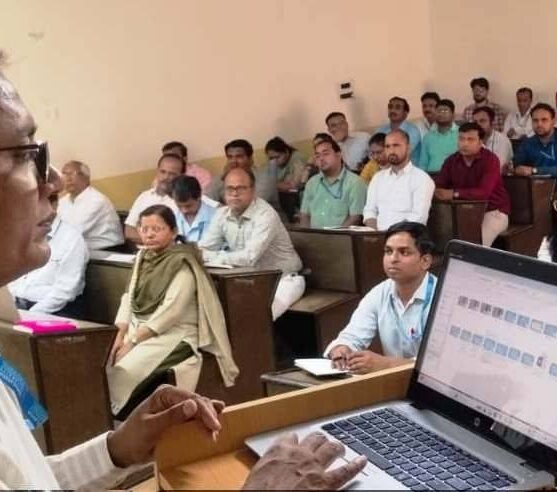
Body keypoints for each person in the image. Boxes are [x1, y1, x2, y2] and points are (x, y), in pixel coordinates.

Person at [0, 52, 365, 490]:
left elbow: (30, 480)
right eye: (26, 154)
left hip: (263, 286)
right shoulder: (160, 251)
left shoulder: (252, 220)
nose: (55, 180)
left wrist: (116, 450)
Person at [107, 205, 237, 419]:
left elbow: (170, 313)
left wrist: (132, 342)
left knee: (124, 370)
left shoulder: (182, 262)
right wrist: (120, 335)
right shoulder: (142, 257)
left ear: (173, 231)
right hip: (140, 330)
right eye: (144, 229)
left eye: (157, 229)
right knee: (107, 361)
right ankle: (116, 419)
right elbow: (128, 298)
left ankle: (122, 419)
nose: (149, 234)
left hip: (174, 334)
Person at [325, 222, 436, 373]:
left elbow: (439, 366)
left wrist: (387, 364)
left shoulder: (442, 298)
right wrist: (342, 349)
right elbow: (352, 336)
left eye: (404, 252)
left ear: (425, 261)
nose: (393, 259)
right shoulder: (380, 292)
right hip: (392, 381)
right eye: (388, 251)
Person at [200, 167, 305, 320]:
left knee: (257, 317)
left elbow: (249, 258)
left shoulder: (265, 214)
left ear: (253, 190)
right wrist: (210, 255)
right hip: (248, 282)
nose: (234, 193)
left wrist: (216, 256)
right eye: (230, 188)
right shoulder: (221, 214)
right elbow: (202, 250)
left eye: (240, 188)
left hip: (284, 281)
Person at [9, 191, 88, 315]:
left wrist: (30, 314)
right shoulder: (23, 231)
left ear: (54, 206)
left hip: (54, 309)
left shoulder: (72, 238)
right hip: (16, 303)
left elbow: (65, 291)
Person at [433, 122, 511, 246]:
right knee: (442, 240)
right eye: (461, 139)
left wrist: (454, 194)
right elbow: (439, 186)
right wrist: (438, 192)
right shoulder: (451, 161)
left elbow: (483, 193)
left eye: (470, 139)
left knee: (476, 245)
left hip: (493, 212)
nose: (465, 143)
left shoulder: (491, 160)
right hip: (461, 213)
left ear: (480, 142)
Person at [363, 130, 435, 230]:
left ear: (408, 148)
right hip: (377, 234)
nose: (391, 151)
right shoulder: (378, 178)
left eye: (396, 145)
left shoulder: (422, 179)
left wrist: (391, 235)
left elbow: (418, 218)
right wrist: (377, 233)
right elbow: (369, 211)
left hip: (406, 236)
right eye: (387, 146)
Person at [299, 137, 367, 228]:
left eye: (325, 154)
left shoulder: (355, 182)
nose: (321, 158)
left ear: (339, 155)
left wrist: (336, 235)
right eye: (317, 156)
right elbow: (304, 215)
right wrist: (306, 235)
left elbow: (355, 218)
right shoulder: (312, 183)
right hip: (313, 235)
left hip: (341, 235)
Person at [513, 103, 557, 187]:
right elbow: (516, 163)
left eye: (544, 120)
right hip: (541, 188)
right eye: (535, 120)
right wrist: (515, 168)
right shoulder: (528, 143)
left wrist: (533, 170)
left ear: (553, 121)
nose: (539, 124)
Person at [57, 159, 123, 250]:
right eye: (64, 174)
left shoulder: (96, 200)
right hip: (79, 249)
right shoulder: (62, 201)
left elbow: (74, 231)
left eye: (73, 174)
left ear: (86, 178)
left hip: (107, 250)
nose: (68, 179)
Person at [206, 139, 282, 214]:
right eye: (230, 157)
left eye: (239, 157)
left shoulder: (265, 177)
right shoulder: (222, 178)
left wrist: (222, 210)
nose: (233, 161)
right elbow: (205, 199)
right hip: (235, 220)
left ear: (250, 159)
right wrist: (223, 178)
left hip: (265, 218)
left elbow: (250, 205)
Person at [124, 153, 184, 244]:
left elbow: (181, 236)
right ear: (157, 171)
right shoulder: (144, 196)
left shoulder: (184, 201)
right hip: (144, 249)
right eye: (163, 172)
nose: (166, 177)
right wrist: (153, 242)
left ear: (182, 176)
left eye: (172, 174)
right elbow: (129, 231)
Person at [376, 96, 423, 164]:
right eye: (390, 107)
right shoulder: (381, 130)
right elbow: (374, 152)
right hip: (384, 168)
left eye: (397, 107)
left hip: (408, 169)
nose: (392, 110)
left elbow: (401, 154)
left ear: (405, 113)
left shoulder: (412, 130)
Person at [171, 175, 217, 243]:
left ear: (199, 196)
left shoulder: (216, 216)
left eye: (188, 206)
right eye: (179, 206)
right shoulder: (172, 216)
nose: (184, 211)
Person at [417, 99, 458, 173]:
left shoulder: (461, 134)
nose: (441, 114)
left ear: (453, 114)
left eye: (445, 111)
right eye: (438, 111)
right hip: (432, 175)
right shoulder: (428, 137)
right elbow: (423, 163)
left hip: (455, 175)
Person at [472, 106, 513, 172]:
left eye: (482, 121)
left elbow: (499, 168)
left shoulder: (503, 141)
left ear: (492, 122)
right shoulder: (471, 140)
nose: (478, 125)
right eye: (475, 122)